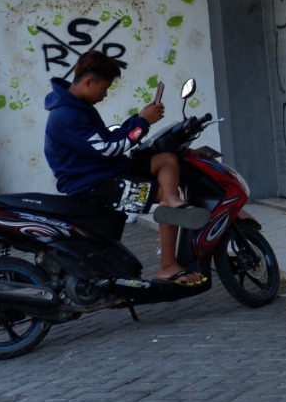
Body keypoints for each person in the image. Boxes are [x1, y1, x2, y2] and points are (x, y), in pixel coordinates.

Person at [44, 49, 209, 284]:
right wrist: (142, 123)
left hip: (106, 171)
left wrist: (138, 119)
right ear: (90, 82)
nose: (105, 94)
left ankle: (172, 199)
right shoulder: (67, 116)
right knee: (162, 194)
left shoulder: (77, 107)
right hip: (95, 184)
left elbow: (108, 138)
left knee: (167, 160)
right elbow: (109, 148)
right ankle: (168, 266)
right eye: (105, 87)